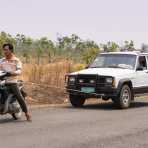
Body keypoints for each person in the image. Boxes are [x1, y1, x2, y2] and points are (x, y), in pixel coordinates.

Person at [0, 43, 31, 121]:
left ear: (11, 50)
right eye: (4, 50)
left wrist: (12, 73)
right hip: (2, 81)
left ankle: (27, 113)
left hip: (12, 82)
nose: (5, 51)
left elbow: (19, 70)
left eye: (6, 50)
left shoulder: (16, 60)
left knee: (19, 97)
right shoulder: (1, 60)